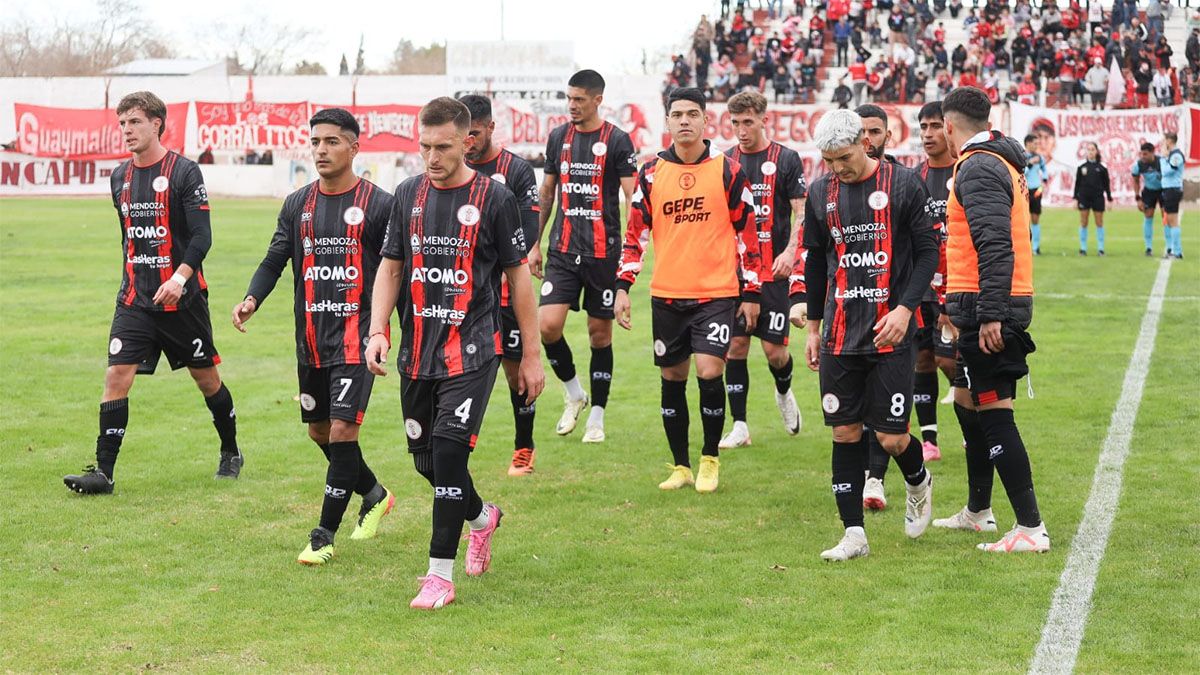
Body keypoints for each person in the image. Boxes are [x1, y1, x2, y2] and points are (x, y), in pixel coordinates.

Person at [366, 97, 545, 609]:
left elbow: (518, 278)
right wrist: (378, 329)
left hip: (472, 350)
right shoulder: (407, 195)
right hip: (417, 352)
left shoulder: (495, 197)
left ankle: (438, 576)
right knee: (427, 465)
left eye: (442, 147)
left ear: (467, 141)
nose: (431, 157)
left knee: (447, 454)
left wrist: (530, 356)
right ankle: (483, 518)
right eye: (424, 147)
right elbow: (392, 267)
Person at [232, 108, 395, 564]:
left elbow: (394, 271)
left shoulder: (380, 205)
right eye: (316, 141)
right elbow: (275, 258)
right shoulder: (297, 203)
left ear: (353, 147)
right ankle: (376, 494)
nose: (321, 150)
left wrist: (385, 331)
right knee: (321, 433)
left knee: (343, 430)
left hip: (357, 340)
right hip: (311, 341)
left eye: (332, 142)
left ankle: (322, 536)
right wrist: (251, 299)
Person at [64, 91, 242, 494]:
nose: (127, 130)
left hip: (184, 300)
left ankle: (230, 450)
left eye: (135, 122)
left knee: (207, 380)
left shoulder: (184, 172)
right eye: (122, 123)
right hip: (134, 300)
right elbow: (129, 240)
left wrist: (178, 278)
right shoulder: (118, 178)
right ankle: (104, 475)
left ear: (157, 124)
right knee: (116, 376)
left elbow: (201, 236)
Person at [803, 109, 939, 561]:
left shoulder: (901, 185)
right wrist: (812, 326)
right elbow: (817, 260)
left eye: (843, 157)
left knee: (890, 439)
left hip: (890, 332)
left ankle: (918, 480)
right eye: (828, 161)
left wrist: (905, 309)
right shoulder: (820, 192)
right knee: (844, 434)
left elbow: (926, 255)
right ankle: (853, 535)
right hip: (840, 334)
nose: (837, 168)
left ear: (864, 140)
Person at [614, 87, 764, 494]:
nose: (684, 121)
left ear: (704, 121)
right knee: (672, 377)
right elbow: (635, 236)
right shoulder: (649, 174)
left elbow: (749, 235)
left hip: (716, 294)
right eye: (677, 114)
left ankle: (710, 459)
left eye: (692, 114)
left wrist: (751, 292)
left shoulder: (728, 170)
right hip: (667, 295)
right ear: (667, 122)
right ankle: (680, 465)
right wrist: (623, 286)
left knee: (710, 370)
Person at [934, 86, 1049, 553]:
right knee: (966, 401)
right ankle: (978, 511)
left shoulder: (979, 166)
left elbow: (994, 245)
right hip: (977, 304)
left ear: (948, 126)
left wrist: (990, 316)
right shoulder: (996, 161)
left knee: (996, 413)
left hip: (990, 308)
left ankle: (1030, 528)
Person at [530, 70, 637, 447]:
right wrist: (534, 243)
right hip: (562, 249)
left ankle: (597, 415)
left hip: (604, 255)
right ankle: (575, 393)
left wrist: (630, 251)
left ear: (597, 100)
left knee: (599, 335)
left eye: (579, 99)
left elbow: (632, 198)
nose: (572, 105)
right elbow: (547, 194)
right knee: (548, 326)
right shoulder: (558, 137)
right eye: (569, 98)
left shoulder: (618, 141)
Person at [458, 94, 543, 476]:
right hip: (459, 294)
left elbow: (528, 231)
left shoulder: (517, 171)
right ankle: (450, 450)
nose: (467, 142)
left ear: (491, 127)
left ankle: (524, 447)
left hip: (506, 294)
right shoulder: (450, 167)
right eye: (462, 134)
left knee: (516, 374)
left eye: (474, 133)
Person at [718, 91, 807, 450]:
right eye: (735, 123)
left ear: (763, 120)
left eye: (748, 122)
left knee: (774, 353)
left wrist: (790, 252)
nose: (741, 130)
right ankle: (739, 425)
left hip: (775, 273)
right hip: (737, 274)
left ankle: (783, 391)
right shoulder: (724, 162)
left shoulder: (785, 159)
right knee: (735, 347)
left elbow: (801, 212)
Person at [1073, 142, 1112, 256]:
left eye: (1092, 149)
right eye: (1088, 150)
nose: (1090, 152)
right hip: (1084, 197)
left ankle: (1101, 248)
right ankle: (1083, 248)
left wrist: (1109, 199)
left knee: (1099, 222)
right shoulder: (1081, 168)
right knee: (1084, 222)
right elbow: (1077, 184)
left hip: (1098, 198)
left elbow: (1107, 184)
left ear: (1096, 151)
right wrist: (1075, 198)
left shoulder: (1102, 168)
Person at [1132, 142, 1164, 256]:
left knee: (1166, 217)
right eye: (1141, 154)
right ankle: (1148, 247)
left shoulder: (1161, 162)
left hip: (1163, 191)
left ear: (1152, 153)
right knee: (1148, 216)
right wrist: (1138, 198)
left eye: (1145, 154)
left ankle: (1170, 247)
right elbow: (1135, 180)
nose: (1143, 157)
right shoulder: (1138, 165)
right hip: (1149, 191)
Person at [1160, 131, 1185, 258]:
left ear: (1169, 141)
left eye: (1164, 140)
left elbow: (1167, 171)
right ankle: (1174, 249)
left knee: (1173, 220)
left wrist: (1164, 158)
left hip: (1173, 190)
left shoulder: (1176, 155)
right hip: (1168, 190)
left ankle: (1177, 251)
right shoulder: (1172, 155)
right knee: (1169, 220)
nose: (1162, 143)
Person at [1023, 134, 1048, 255]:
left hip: (1037, 190)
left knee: (1035, 219)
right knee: (1023, 220)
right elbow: (1022, 172)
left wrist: (1045, 178)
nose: (1036, 146)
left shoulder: (1039, 157)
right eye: (1035, 143)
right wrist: (1030, 163)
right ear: (1027, 143)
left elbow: (1044, 168)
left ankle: (1036, 247)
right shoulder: (1021, 157)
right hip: (1024, 191)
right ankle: (1025, 246)